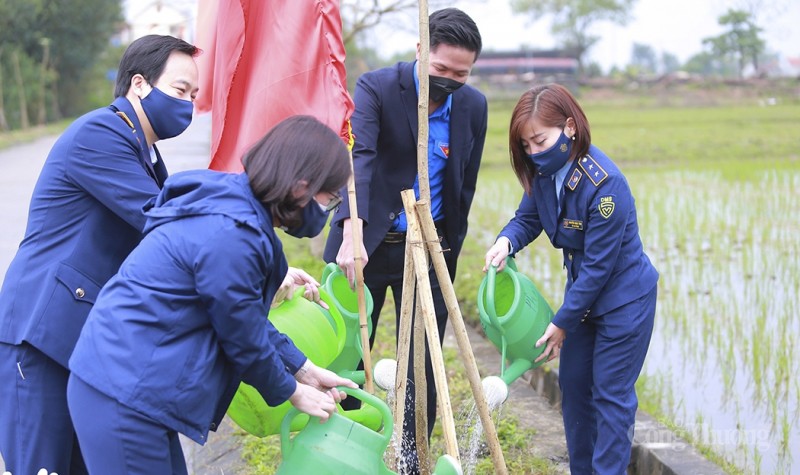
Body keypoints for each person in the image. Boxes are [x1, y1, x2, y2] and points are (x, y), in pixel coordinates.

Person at [66, 115, 358, 474]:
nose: (327, 211)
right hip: (123, 390)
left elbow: (242, 315)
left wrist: (303, 368)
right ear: (301, 187)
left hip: (125, 382)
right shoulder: (233, 234)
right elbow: (241, 336)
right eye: (329, 199)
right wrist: (291, 391)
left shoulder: (232, 207)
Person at [0, 34, 200, 475]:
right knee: (42, 467)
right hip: (40, 333)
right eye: (180, 91)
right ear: (139, 85)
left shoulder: (146, 153)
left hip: (83, 342)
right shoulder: (101, 133)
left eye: (194, 95)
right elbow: (160, 217)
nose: (188, 105)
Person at [323, 7, 486, 472]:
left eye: (461, 73)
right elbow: (363, 158)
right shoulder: (376, 87)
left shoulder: (473, 107)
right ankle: (345, 452)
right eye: (441, 70)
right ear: (420, 49)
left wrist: (448, 250)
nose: (450, 80)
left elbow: (464, 185)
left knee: (424, 363)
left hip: (430, 251)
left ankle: (414, 457)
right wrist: (351, 228)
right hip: (368, 246)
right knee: (351, 354)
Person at [484, 83, 659, 474]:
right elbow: (527, 219)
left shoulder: (605, 185)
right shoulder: (545, 173)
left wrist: (562, 322)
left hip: (624, 301)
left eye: (540, 140)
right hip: (583, 299)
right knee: (576, 391)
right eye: (525, 145)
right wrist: (505, 242)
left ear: (569, 127)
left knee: (611, 397)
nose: (533, 152)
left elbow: (600, 267)